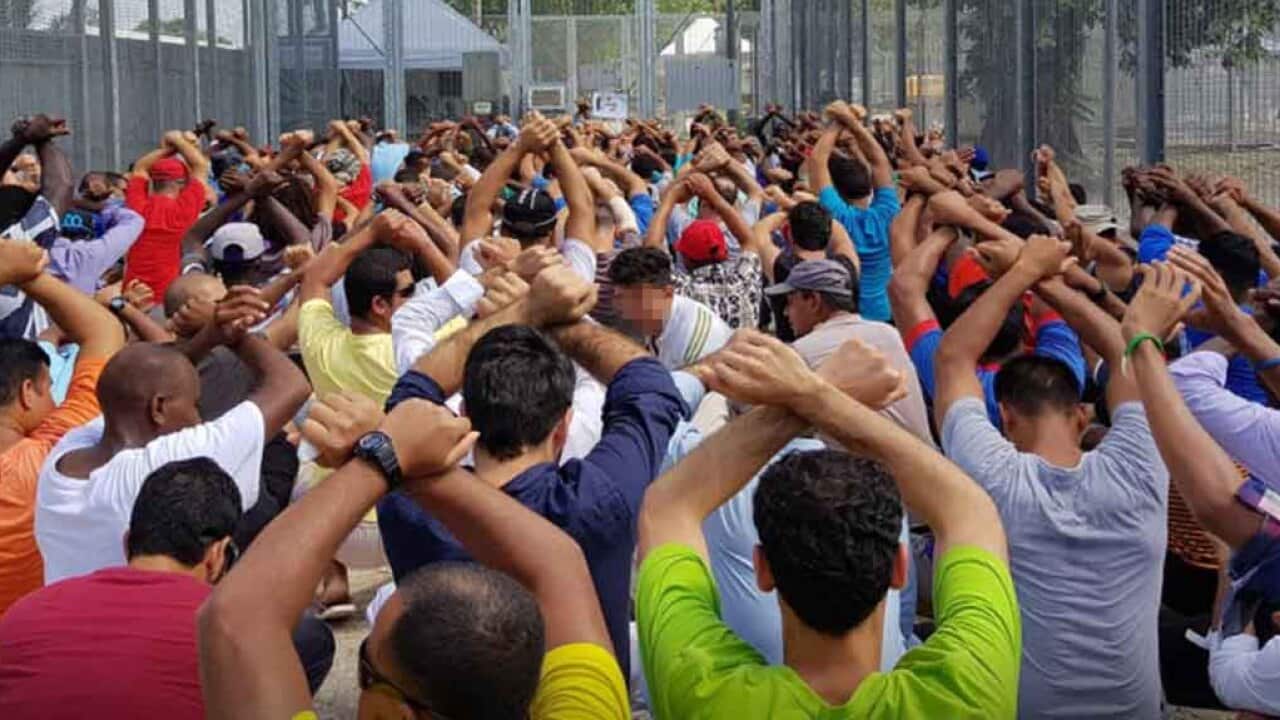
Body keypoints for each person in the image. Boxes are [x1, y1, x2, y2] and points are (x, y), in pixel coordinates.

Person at [636, 330, 1019, 718]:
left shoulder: (704, 695)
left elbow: (669, 505)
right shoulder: (970, 692)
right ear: (899, 568)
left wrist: (812, 394)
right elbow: (966, 509)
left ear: (763, 569)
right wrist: (817, 395)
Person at [199, 391, 629, 720]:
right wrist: (393, 458)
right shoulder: (583, 707)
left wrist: (386, 454)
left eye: (367, 662)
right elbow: (558, 564)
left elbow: (235, 617)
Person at [377, 262, 686, 679]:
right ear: (562, 427)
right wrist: (559, 324)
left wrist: (525, 311)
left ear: (466, 415)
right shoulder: (595, 501)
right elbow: (650, 385)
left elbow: (414, 394)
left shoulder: (407, 503)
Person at [933, 233, 1167, 718]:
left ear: (1006, 417)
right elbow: (1131, 354)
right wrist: (1046, 281)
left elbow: (954, 358)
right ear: (1082, 415)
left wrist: (1023, 272)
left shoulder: (993, 480)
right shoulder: (1141, 467)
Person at [34, 287, 310, 584]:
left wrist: (212, 331)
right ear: (159, 409)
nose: (197, 418)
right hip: (146, 625)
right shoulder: (166, 463)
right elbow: (291, 385)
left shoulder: (64, 456)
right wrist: (237, 335)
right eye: (193, 405)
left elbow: (138, 380)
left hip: (70, 619)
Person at [0, 241, 125, 616]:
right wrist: (28, 277)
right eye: (49, 389)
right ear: (27, 392)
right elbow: (104, 332)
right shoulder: (51, 458)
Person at [766, 258, 932, 443]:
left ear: (813, 301)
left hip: (870, 468)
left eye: (790, 302)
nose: (786, 312)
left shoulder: (801, 351)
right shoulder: (889, 332)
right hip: (928, 460)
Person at [809, 101, 901, 322]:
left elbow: (817, 161)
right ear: (870, 185)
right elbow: (880, 162)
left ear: (836, 190)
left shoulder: (837, 217)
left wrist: (836, 124)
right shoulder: (889, 211)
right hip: (886, 311)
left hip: (849, 313)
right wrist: (853, 123)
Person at [645, 172, 763, 329]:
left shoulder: (680, 290)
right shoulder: (744, 283)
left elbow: (651, 248)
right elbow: (748, 240)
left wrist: (670, 198)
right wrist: (712, 195)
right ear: (724, 253)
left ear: (685, 258)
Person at [606, 246, 733, 369]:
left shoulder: (694, 346)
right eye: (620, 297)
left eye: (637, 300)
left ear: (667, 293)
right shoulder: (656, 316)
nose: (627, 310)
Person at [124, 132, 211, 299]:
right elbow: (200, 165)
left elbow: (140, 167)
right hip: (169, 298)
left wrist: (168, 149)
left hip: (133, 296)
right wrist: (178, 141)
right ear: (181, 183)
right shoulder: (183, 209)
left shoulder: (136, 207)